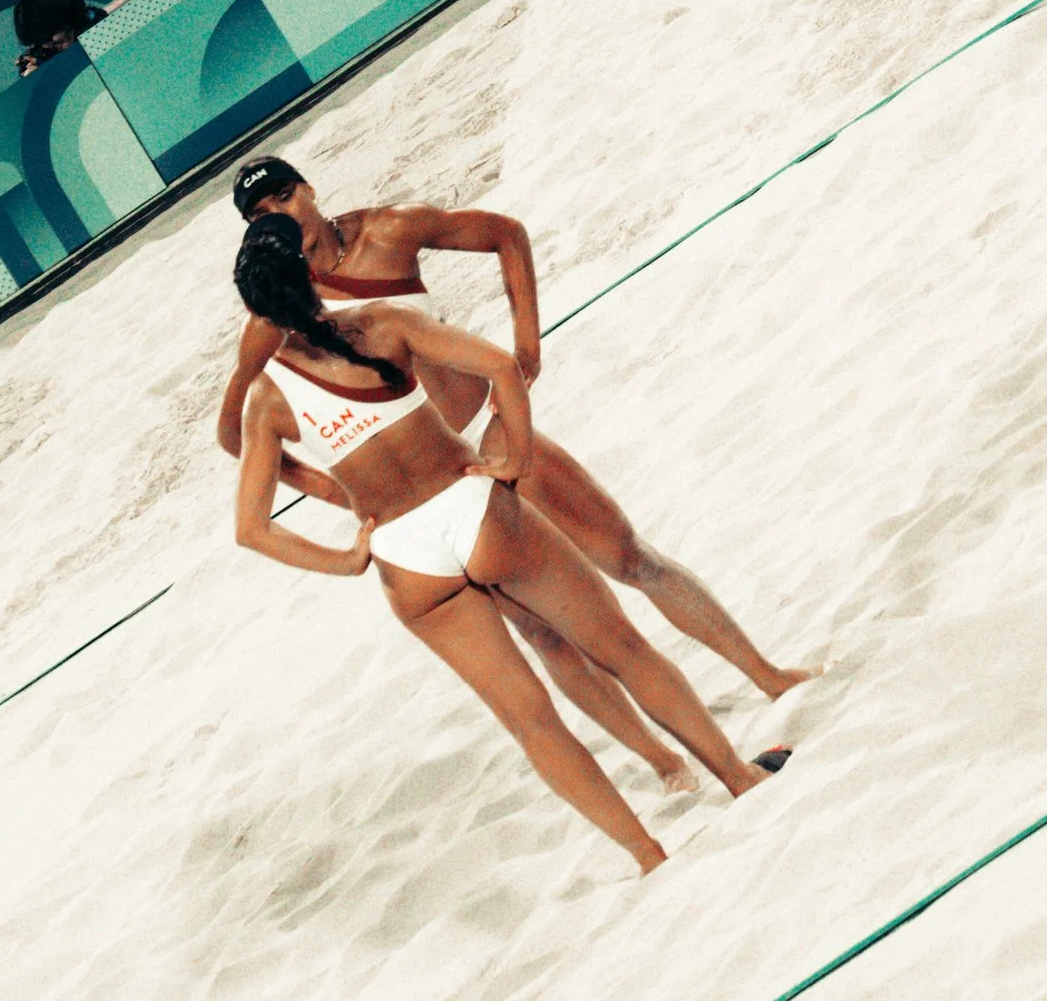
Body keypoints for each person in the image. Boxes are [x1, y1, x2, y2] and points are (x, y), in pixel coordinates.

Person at [228, 211, 787, 873]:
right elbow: (501, 366)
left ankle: (647, 853)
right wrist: (514, 455)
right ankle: (736, 777)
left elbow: (251, 528)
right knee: (623, 649)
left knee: (531, 721)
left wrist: (348, 558)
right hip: (476, 509)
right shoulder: (380, 324)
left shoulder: (265, 398)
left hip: (407, 559)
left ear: (257, 311)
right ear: (311, 279)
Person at [225, 156, 811, 706]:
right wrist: (332, 489)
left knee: (628, 557)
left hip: (486, 435)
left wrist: (527, 343)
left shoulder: (389, 232)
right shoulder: (274, 311)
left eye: (284, 196)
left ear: (309, 189)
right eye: (261, 215)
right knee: (545, 636)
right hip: (432, 495)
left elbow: (506, 234)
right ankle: (667, 765)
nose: (280, 215)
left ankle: (770, 678)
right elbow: (234, 434)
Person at [13, 0, 106, 74]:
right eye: (40, 42)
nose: (46, 46)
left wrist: (54, 73)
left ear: (67, 19)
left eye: (48, 37)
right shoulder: (42, 56)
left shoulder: (103, 30)